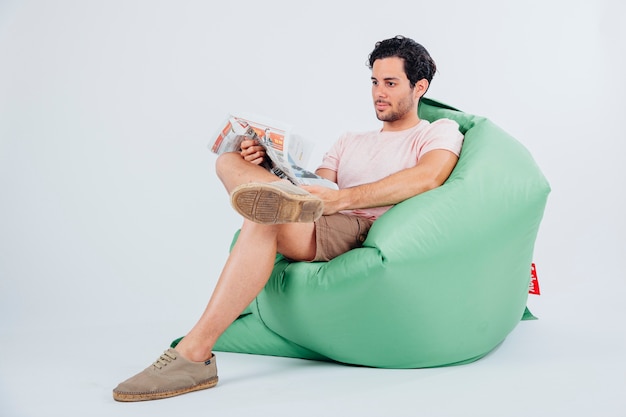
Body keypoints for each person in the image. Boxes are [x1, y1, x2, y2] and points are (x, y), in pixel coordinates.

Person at [113, 35, 464, 402]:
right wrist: (269, 166)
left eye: (390, 83)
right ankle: (273, 195)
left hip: (360, 226)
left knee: (267, 218)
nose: (379, 92)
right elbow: (320, 185)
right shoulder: (349, 140)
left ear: (419, 87)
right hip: (317, 213)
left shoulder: (438, 131)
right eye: (374, 82)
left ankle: (193, 353)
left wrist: (341, 199)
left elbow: (428, 177)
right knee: (230, 161)